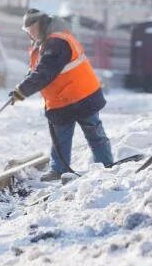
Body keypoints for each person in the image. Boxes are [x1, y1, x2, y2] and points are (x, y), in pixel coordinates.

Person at [10, 9, 113, 181]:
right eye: (28, 31)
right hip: (61, 101)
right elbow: (35, 73)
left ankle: (106, 168)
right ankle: (58, 170)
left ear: (42, 24)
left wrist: (22, 91)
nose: (32, 34)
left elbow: (45, 72)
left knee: (94, 133)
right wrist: (19, 90)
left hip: (82, 96)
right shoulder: (42, 45)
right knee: (60, 139)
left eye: (33, 28)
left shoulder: (58, 42)